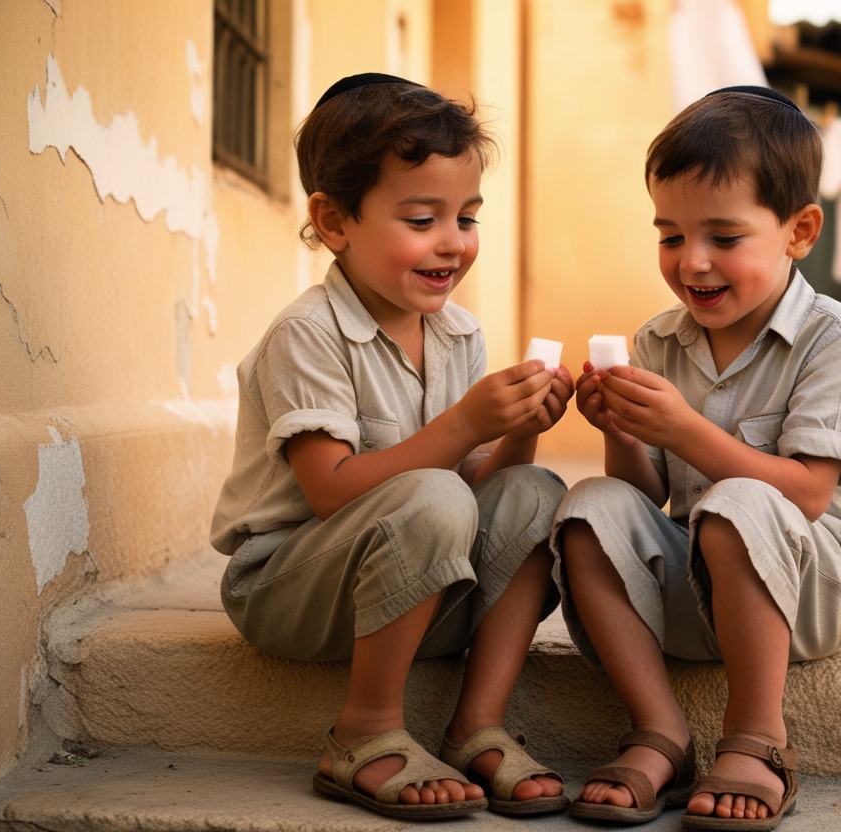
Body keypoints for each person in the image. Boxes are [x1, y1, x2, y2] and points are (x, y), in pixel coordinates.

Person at [209, 73, 573, 821]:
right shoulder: (307, 334)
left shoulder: (458, 333)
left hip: (415, 585)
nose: (453, 242)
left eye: (467, 217)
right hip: (291, 588)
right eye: (422, 218)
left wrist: (520, 427)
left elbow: (478, 495)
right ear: (334, 221)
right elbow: (331, 491)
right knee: (434, 492)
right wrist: (463, 425)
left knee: (539, 494)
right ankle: (364, 730)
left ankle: (476, 723)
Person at [553, 85, 841, 831]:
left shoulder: (836, 339)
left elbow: (807, 494)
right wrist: (620, 427)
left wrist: (684, 430)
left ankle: (756, 738)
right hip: (698, 586)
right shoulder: (659, 340)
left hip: (812, 593)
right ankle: (659, 731)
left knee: (739, 500)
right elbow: (644, 495)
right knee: (586, 507)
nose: (693, 262)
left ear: (799, 231)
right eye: (671, 236)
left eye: (725, 237)